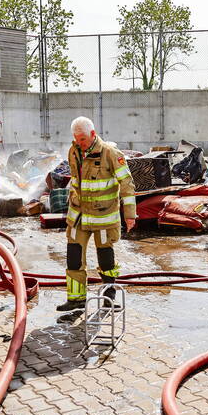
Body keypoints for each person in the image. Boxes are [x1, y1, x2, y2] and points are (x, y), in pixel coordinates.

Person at [57, 116, 136, 312]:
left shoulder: (110, 153)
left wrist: (130, 214)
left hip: (103, 217)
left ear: (93, 134)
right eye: (76, 139)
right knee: (73, 257)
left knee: (106, 259)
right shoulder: (74, 151)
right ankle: (76, 300)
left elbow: (127, 184)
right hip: (79, 216)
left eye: (82, 139)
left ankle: (109, 298)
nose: (79, 143)